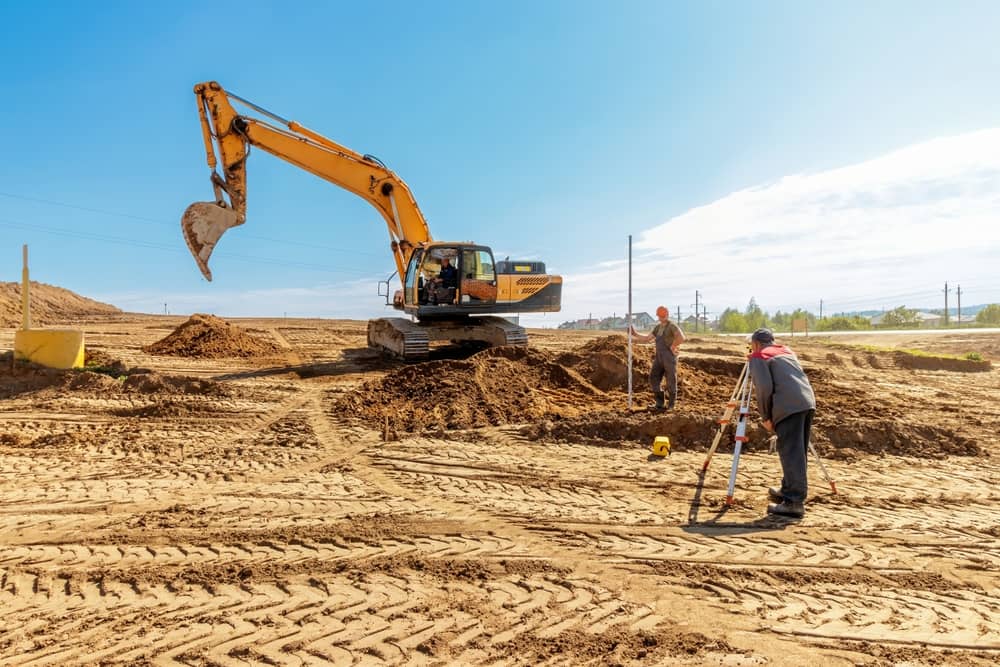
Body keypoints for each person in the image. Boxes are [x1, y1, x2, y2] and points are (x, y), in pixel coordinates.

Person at [747, 327, 816, 518]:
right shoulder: (786, 351)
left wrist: (766, 417)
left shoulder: (759, 356)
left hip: (788, 406)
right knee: (797, 451)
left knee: (791, 452)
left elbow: (763, 389)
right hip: (806, 402)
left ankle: (794, 502)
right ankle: (788, 489)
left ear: (755, 344)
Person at [630, 306, 685, 410]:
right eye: (660, 316)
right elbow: (647, 338)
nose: (661, 318)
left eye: (663, 315)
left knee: (670, 380)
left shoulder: (672, 326)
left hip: (669, 356)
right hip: (659, 357)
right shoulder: (658, 327)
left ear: (667, 315)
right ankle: (660, 403)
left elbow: (682, 337)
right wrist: (634, 334)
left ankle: (671, 405)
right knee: (654, 377)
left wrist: (673, 346)